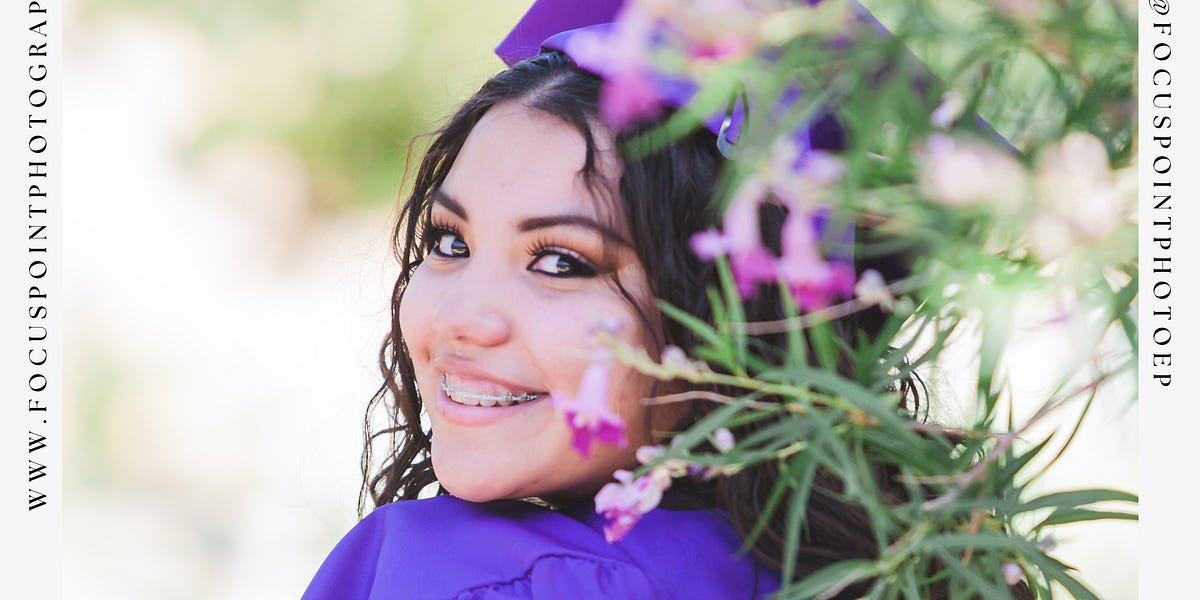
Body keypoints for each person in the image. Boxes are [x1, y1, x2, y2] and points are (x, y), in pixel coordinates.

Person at [302, 2, 1030, 599]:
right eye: (450, 241)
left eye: (561, 262)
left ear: (738, 325)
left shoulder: (475, 577)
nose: (459, 316)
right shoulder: (883, 573)